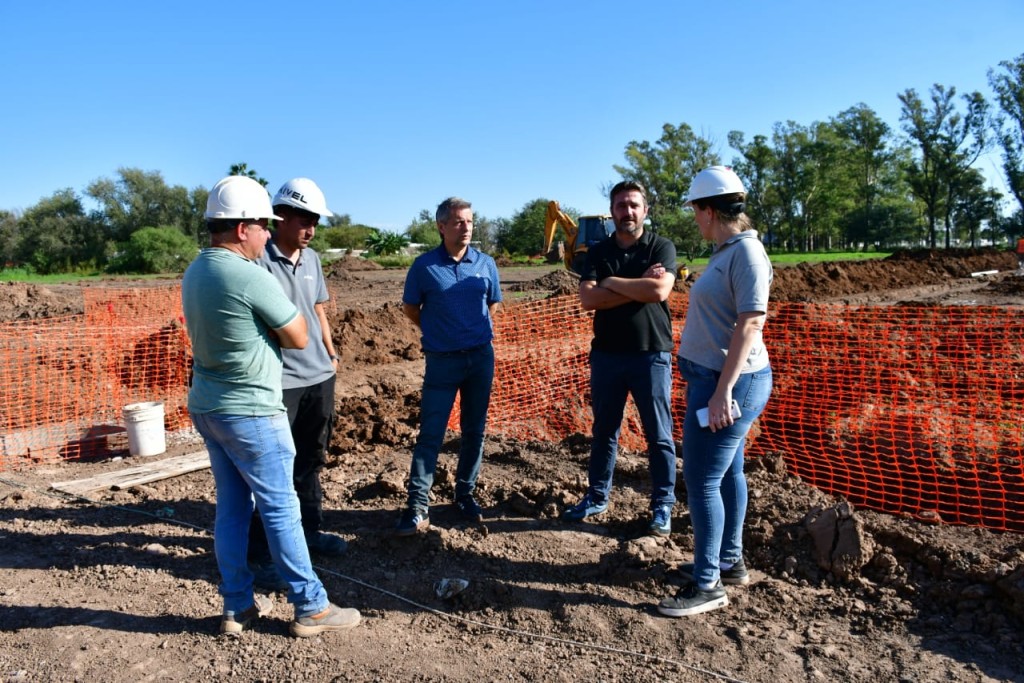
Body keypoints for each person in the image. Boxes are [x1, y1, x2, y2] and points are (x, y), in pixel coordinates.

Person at [181, 175, 360, 637]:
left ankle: (237, 607)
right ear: (243, 229)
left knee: (233, 510)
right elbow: (299, 335)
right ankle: (310, 606)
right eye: (263, 225)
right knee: (281, 508)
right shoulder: (246, 273)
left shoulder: (197, 269)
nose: (267, 232)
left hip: (209, 405)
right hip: (252, 410)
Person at [656, 166, 773, 618]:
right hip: (721, 381)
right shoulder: (728, 250)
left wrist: (722, 392)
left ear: (708, 210)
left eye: (695, 209)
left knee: (703, 479)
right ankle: (728, 561)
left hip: (729, 383)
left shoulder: (746, 254)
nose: (693, 217)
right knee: (727, 474)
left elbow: (751, 323)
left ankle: (708, 584)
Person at [562, 180, 678, 537]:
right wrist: (636, 285)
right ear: (611, 212)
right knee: (604, 432)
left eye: (633, 205)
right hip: (608, 357)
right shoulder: (598, 251)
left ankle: (662, 505)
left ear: (645, 210)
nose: (627, 211)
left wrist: (611, 283)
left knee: (659, 436)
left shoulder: (661, 246)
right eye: (621, 206)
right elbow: (588, 300)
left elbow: (658, 290)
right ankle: (597, 496)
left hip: (651, 355)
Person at [247, 178, 346, 590]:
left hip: (319, 376)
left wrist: (330, 352)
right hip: (281, 381)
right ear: (281, 217)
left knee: (310, 460)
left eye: (316, 221)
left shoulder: (313, 260)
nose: (311, 228)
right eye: (304, 219)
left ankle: (310, 533)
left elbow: (318, 310)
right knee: (273, 470)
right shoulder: (257, 260)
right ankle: (259, 553)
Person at [395, 197, 503, 535]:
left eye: (469, 221)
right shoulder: (424, 267)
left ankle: (465, 494)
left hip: (480, 359)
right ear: (442, 226)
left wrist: (472, 332)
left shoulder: (485, 264)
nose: (466, 227)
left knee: (475, 430)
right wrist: (439, 330)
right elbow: (412, 309)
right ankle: (417, 506)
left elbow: (493, 305)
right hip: (442, 362)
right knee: (431, 433)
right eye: (458, 222)